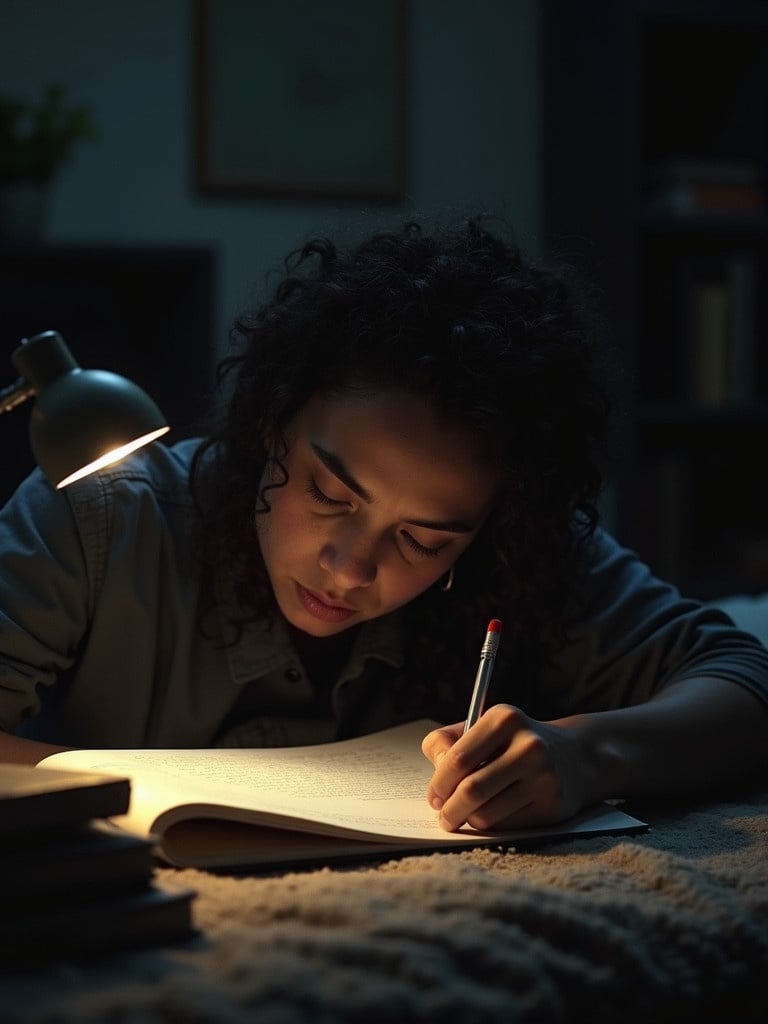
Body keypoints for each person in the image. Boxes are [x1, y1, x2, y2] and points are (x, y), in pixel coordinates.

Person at [1, 216, 766, 833]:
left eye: (425, 540)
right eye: (331, 494)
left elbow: (744, 683)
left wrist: (589, 753)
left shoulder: (516, 552)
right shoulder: (107, 514)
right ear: (272, 423)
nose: (351, 567)